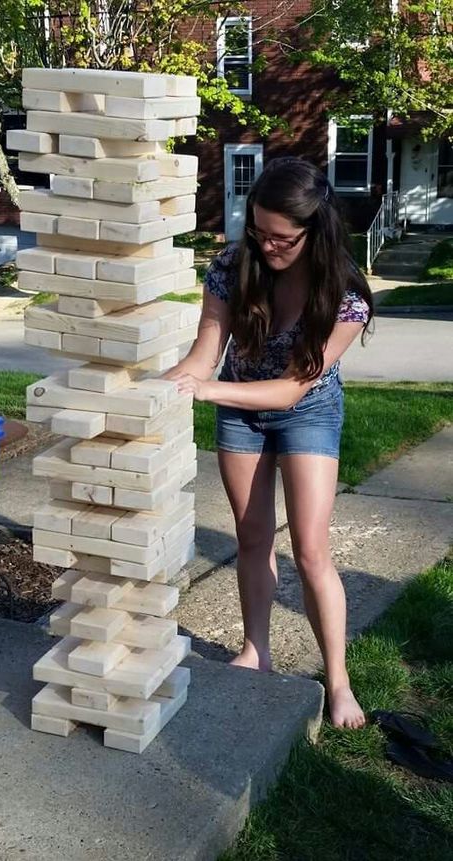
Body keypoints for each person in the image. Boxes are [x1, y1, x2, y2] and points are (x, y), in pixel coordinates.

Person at [164, 157, 374, 729]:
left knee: (309, 549)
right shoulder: (233, 267)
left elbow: (289, 391)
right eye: (258, 232)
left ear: (317, 230)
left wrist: (206, 390)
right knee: (252, 537)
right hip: (236, 407)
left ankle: (338, 682)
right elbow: (204, 354)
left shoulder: (347, 297)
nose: (268, 245)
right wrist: (166, 385)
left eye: (282, 238)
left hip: (307, 410)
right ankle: (257, 651)